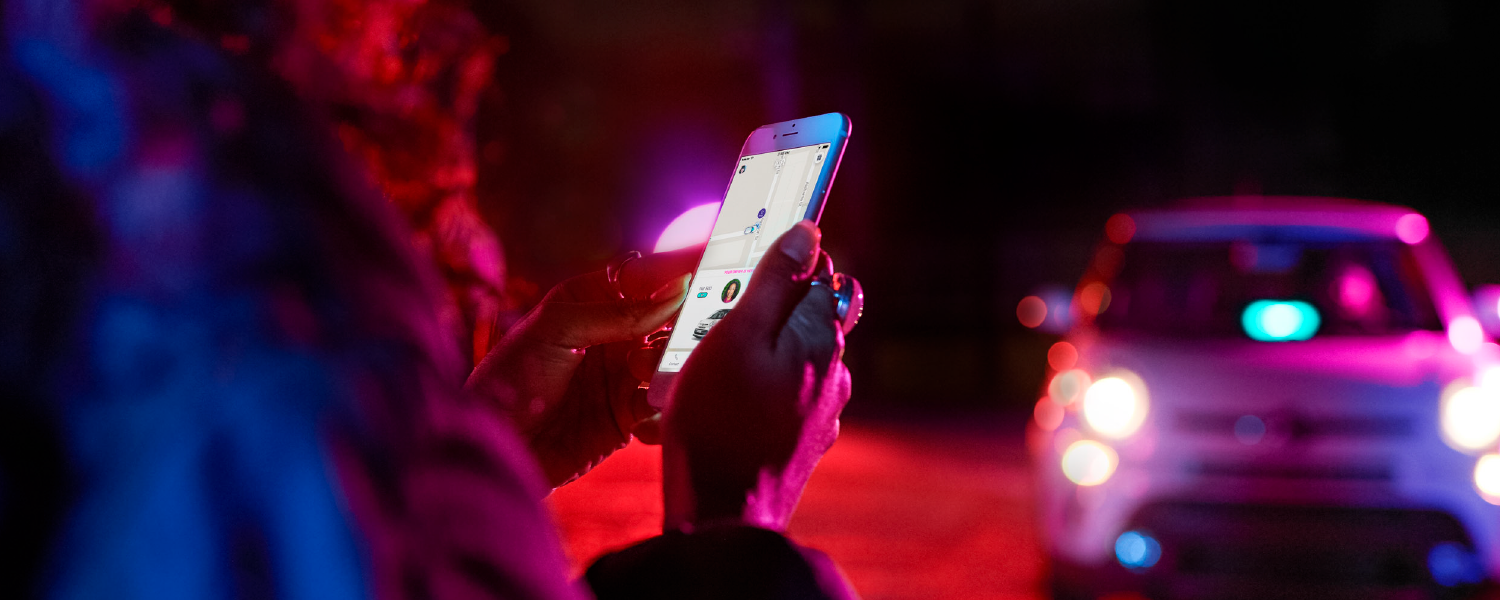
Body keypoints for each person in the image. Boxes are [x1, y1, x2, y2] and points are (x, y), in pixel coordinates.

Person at [0, 1, 860, 599]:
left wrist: (479, 445)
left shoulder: (78, 166)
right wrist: (732, 517)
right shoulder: (241, 256)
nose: (473, 241)